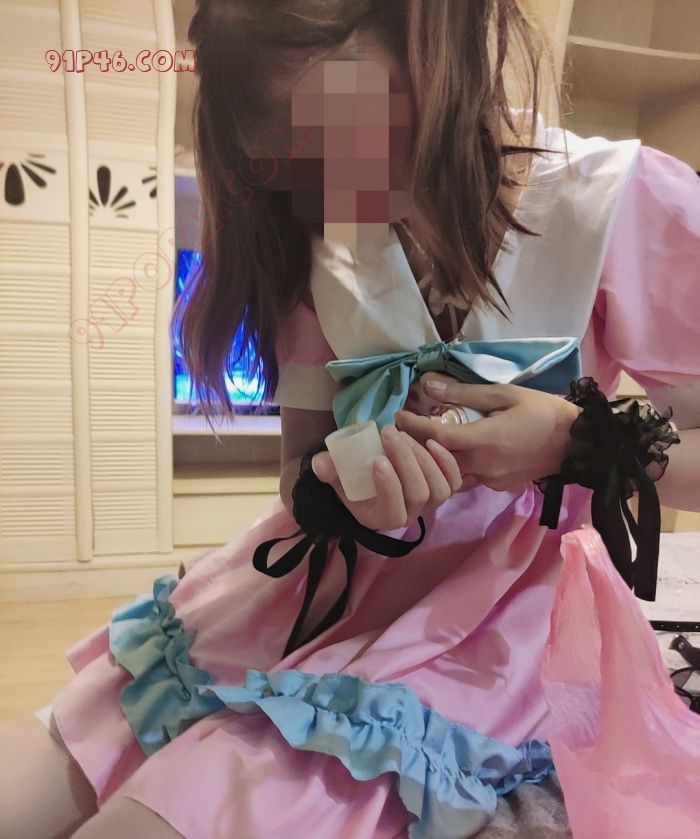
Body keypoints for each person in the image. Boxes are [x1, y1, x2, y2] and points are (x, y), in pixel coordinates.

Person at [2, 1, 699, 837]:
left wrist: (570, 442)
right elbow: (300, 469)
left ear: (429, 36)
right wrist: (342, 487)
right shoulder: (326, 234)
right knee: (59, 760)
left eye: (349, 125)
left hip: (495, 624)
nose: (339, 181)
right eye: (298, 155)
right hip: (312, 588)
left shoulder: (615, 202)